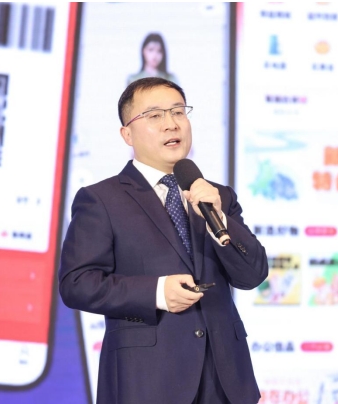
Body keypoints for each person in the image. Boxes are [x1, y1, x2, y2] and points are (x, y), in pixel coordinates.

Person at [59, 77, 268, 404]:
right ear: (127, 134)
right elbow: (77, 284)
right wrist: (156, 292)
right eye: (155, 115)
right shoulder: (101, 199)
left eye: (178, 112)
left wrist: (219, 217)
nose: (172, 124)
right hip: (147, 381)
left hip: (225, 382)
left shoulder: (216, 196)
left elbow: (252, 274)